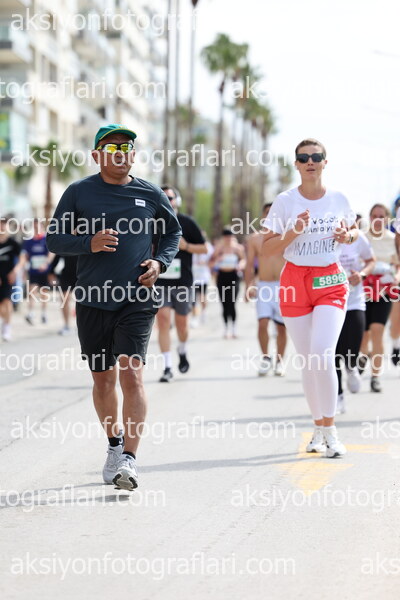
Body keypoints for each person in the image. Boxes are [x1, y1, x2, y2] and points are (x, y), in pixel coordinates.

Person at [47, 124, 181, 491]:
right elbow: (54, 239)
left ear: (133, 155)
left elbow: (172, 233)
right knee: (103, 379)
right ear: (97, 155)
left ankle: (130, 460)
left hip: (137, 297)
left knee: (132, 373)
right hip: (92, 299)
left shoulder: (150, 193)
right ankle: (114, 444)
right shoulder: (79, 192)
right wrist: (87, 243)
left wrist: (160, 263)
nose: (120, 153)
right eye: (111, 148)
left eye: (126, 147)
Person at [262, 138, 358, 458]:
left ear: (325, 162)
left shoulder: (338, 198)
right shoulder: (285, 201)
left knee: (322, 353)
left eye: (316, 157)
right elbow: (267, 248)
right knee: (307, 360)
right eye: (303, 158)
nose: (310, 162)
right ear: (297, 164)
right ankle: (317, 426)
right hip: (294, 281)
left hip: (329, 279)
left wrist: (347, 236)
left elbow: (355, 231)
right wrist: (294, 231)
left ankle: (331, 430)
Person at [155, 185, 206, 383]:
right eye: (164, 198)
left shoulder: (187, 222)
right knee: (162, 320)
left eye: (170, 198)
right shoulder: (153, 223)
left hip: (183, 282)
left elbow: (204, 248)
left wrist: (186, 246)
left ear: (177, 201)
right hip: (160, 281)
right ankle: (167, 367)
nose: (168, 201)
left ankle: (182, 350)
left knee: (182, 324)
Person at [359, 204, 400, 392]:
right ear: (369, 217)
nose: (377, 219)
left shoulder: (393, 239)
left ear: (387, 219)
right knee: (363, 335)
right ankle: (363, 354)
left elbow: (398, 265)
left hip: (384, 292)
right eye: (374, 216)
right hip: (362, 292)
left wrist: (395, 278)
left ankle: (375, 376)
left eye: (381, 216)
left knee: (377, 330)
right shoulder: (361, 237)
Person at [245, 203, 287, 376]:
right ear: (263, 216)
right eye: (268, 213)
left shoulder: (286, 236)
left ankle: (280, 361)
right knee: (262, 323)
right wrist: (248, 286)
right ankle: (265, 358)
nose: (271, 215)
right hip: (264, 286)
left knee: (282, 327)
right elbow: (249, 265)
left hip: (284, 287)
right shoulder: (255, 239)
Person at [335, 231, 375, 413]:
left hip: (354, 302)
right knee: (332, 353)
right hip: (329, 302)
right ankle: (338, 396)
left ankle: (351, 366)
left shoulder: (358, 238)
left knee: (352, 347)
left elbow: (371, 261)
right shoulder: (321, 236)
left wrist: (361, 274)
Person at [210, 227, 246, 338]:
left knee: (232, 302)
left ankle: (234, 328)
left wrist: (240, 265)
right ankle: (226, 328)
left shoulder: (237, 248)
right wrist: (217, 260)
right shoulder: (219, 248)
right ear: (223, 237)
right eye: (226, 237)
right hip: (222, 277)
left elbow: (244, 260)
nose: (228, 239)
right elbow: (210, 262)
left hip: (234, 276)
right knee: (224, 303)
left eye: (230, 237)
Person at [22, 218, 53, 325]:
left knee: (44, 293)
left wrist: (46, 264)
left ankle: (44, 314)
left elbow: (51, 253)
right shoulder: (29, 241)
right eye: (34, 227)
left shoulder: (46, 240)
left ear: (42, 227)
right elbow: (25, 256)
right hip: (33, 271)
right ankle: (31, 313)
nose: (36, 228)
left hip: (44, 271)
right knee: (32, 291)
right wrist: (24, 269)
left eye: (37, 226)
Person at [0, 217, 23, 341]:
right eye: (0, 225)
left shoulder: (12, 243)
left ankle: (7, 328)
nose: (2, 227)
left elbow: (22, 259)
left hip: (8, 278)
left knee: (7, 302)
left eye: (4, 225)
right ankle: (4, 321)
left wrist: (15, 271)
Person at [48, 254, 78, 335]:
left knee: (82, 301)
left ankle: (81, 325)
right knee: (64, 300)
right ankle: (66, 325)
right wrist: (51, 272)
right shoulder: (66, 245)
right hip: (66, 275)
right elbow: (57, 256)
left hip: (81, 274)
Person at [191, 231, 214, 327]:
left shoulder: (208, 247)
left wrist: (206, 264)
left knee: (202, 297)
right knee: (193, 298)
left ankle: (203, 312)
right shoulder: (192, 245)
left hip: (203, 276)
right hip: (193, 275)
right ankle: (194, 317)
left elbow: (213, 259)